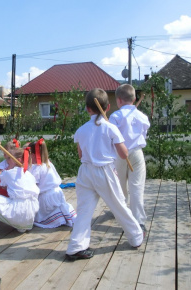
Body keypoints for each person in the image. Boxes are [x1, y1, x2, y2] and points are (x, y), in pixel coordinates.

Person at [66, 88, 143, 260]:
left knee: (84, 210)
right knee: (119, 205)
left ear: (87, 109)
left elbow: (80, 155)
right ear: (108, 107)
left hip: (85, 172)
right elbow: (124, 154)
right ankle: (136, 237)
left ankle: (75, 247)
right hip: (105, 171)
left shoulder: (81, 130)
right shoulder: (110, 128)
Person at [109, 84, 150, 235]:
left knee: (119, 187)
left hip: (120, 153)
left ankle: (121, 213)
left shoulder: (115, 116)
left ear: (119, 100)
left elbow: (111, 137)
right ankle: (139, 220)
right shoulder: (142, 116)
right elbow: (144, 134)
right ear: (134, 99)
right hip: (137, 152)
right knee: (137, 187)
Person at [28, 139, 77, 228]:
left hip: (46, 197)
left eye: (29, 155)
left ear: (33, 155)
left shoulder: (36, 168)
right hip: (57, 193)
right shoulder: (48, 164)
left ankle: (56, 217)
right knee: (59, 206)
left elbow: (32, 186)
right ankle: (62, 215)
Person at [0, 147, 40, 232]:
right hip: (32, 211)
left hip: (19, 210)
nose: (7, 162)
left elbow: (0, 184)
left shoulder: (8, 173)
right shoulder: (29, 174)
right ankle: (22, 225)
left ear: (17, 160)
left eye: (9, 159)